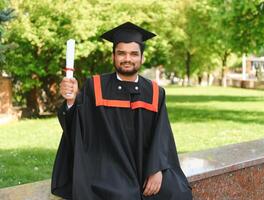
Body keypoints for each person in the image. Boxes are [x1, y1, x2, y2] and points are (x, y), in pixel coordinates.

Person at [51, 22, 192, 200]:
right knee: (123, 195)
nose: (127, 58)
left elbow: (162, 135)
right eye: (121, 53)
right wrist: (71, 100)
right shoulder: (95, 87)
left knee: (177, 191)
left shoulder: (155, 92)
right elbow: (78, 126)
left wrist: (156, 169)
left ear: (142, 58)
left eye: (134, 54)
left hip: (146, 164)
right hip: (108, 167)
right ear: (113, 56)